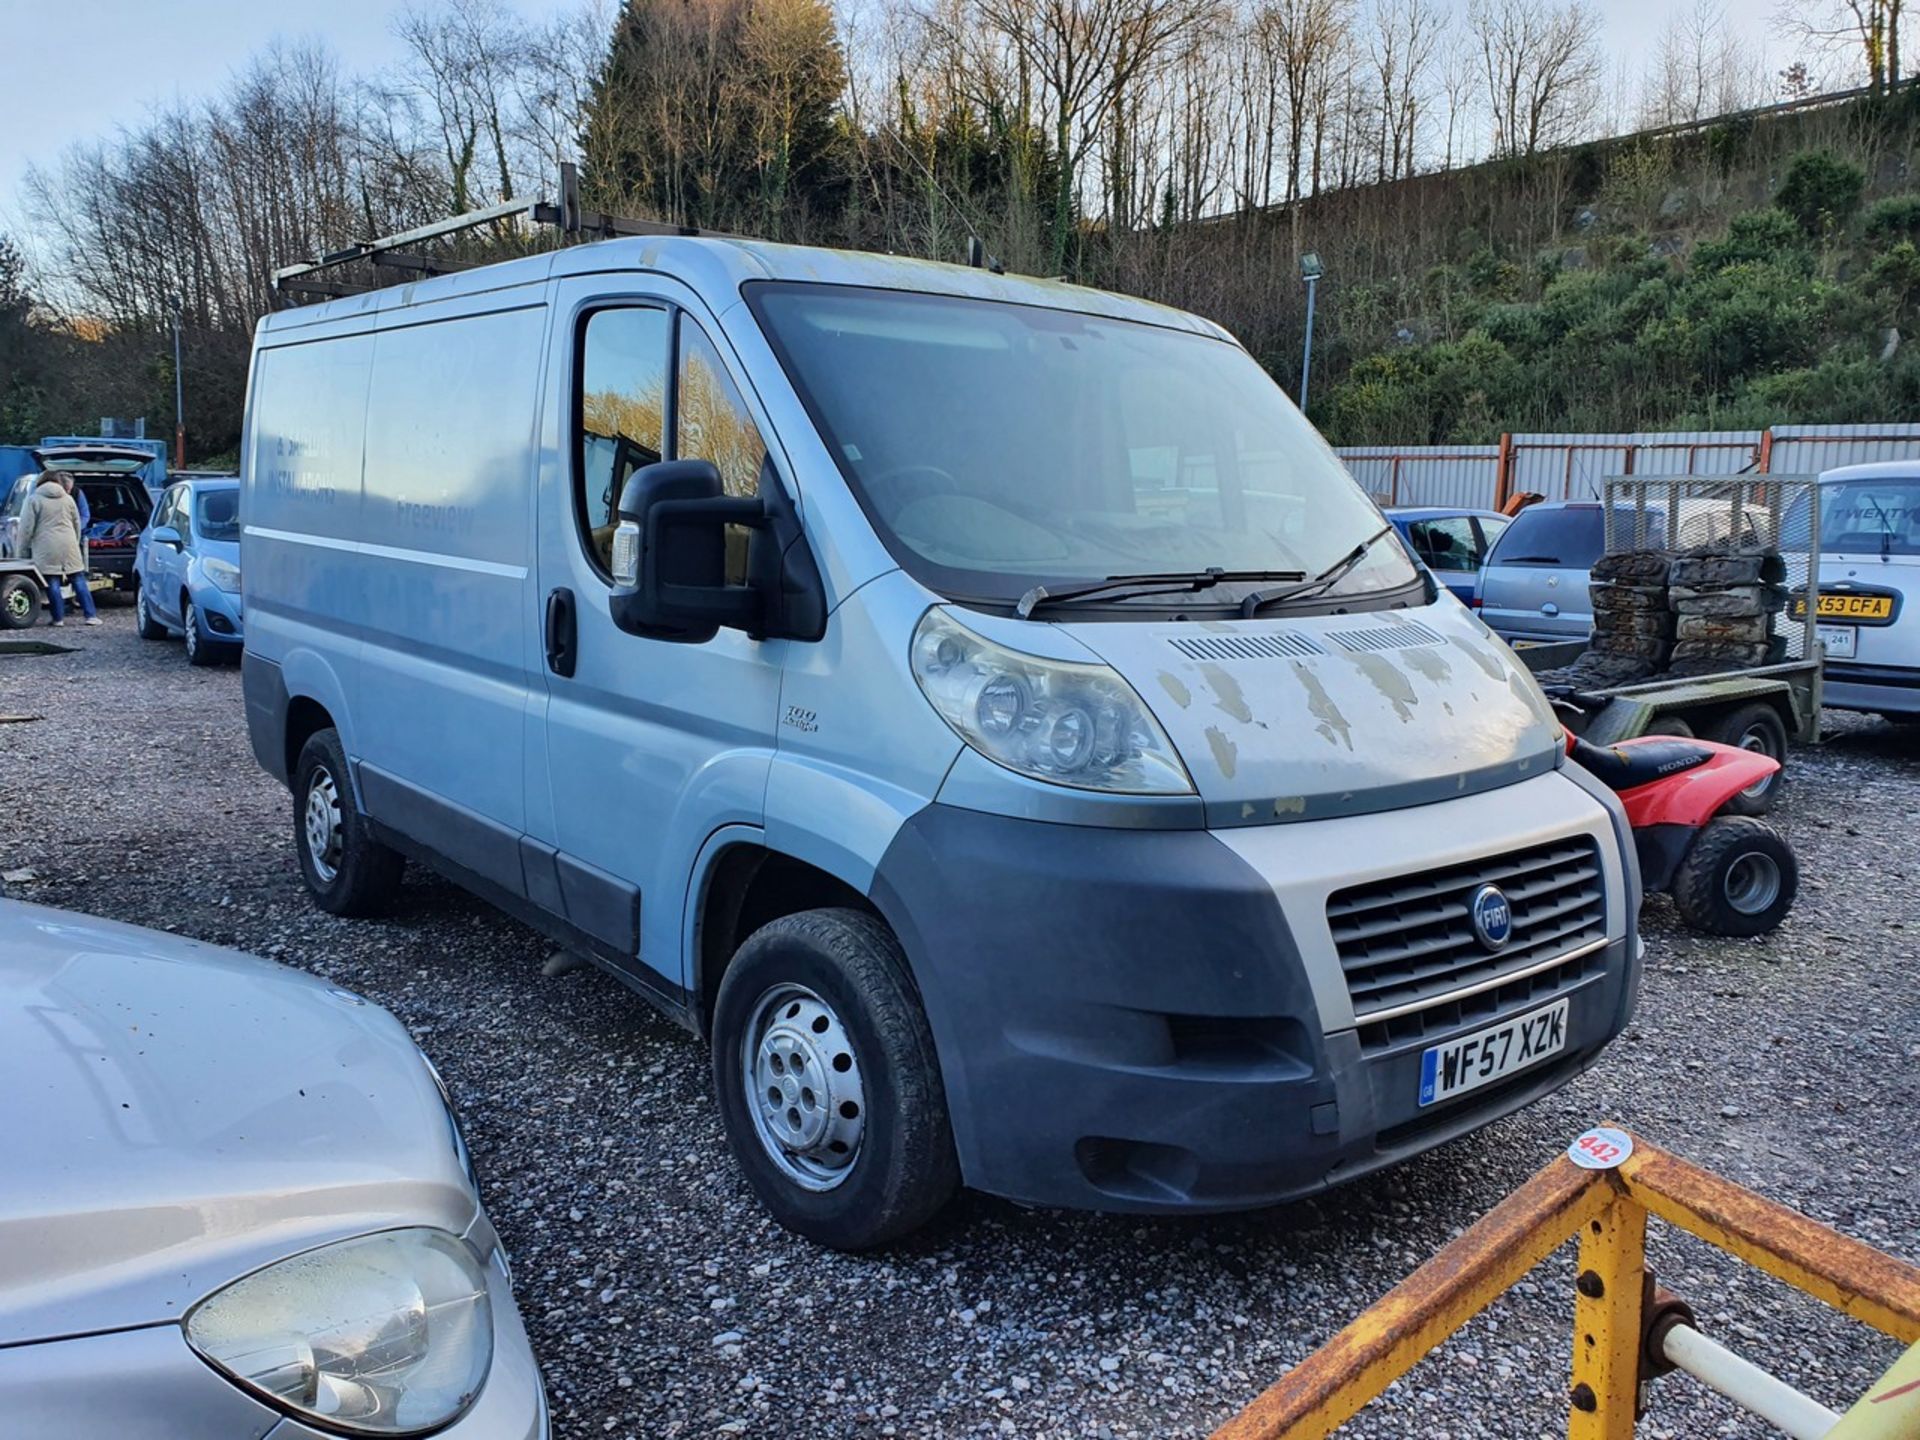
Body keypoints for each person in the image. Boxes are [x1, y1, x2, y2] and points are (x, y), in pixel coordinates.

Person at [15, 470, 99, 626]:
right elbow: (77, 523)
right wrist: (75, 541)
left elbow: (26, 528)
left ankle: (58, 619)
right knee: (78, 579)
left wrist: (22, 551)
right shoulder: (68, 499)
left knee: (52, 581)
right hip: (69, 544)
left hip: (46, 546)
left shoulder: (34, 500)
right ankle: (91, 616)